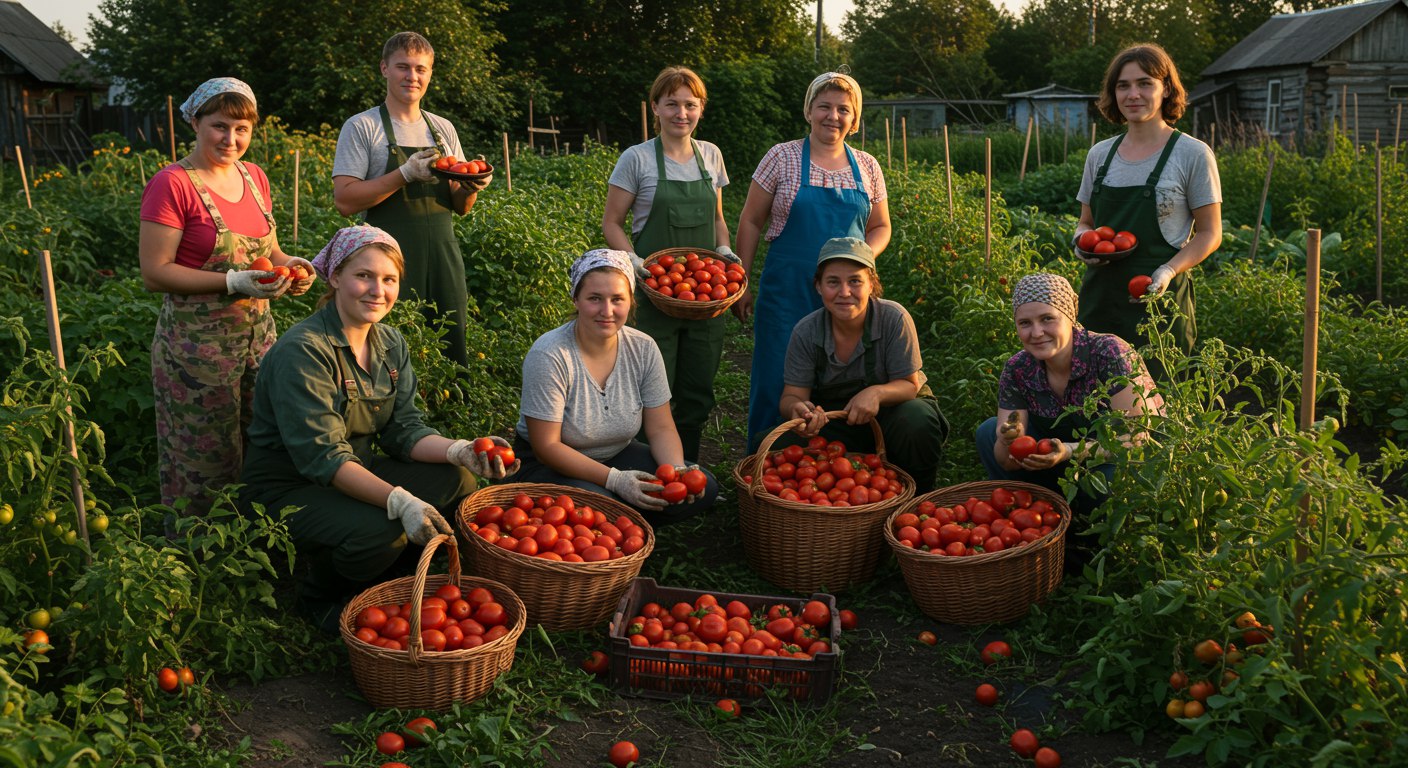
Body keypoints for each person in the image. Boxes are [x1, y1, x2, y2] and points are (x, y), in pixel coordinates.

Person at [241, 226, 517, 632]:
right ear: (336, 277)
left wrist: (459, 449)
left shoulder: (389, 343)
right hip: (289, 490)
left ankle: (391, 576)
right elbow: (325, 459)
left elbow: (403, 430)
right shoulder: (304, 351)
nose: (377, 290)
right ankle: (320, 597)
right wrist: (400, 502)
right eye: (364, 276)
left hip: (355, 470)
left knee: (456, 479)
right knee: (382, 530)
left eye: (389, 280)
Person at [139, 77, 316, 518]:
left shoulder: (253, 177)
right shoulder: (173, 184)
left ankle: (257, 537)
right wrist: (232, 282)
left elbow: (270, 252)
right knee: (203, 462)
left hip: (259, 345)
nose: (230, 139)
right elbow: (155, 273)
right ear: (195, 123)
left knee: (265, 444)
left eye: (242, 129)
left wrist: (293, 267)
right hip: (196, 354)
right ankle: (197, 550)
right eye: (219, 126)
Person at [736, 72, 891, 449]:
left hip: (846, 295)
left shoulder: (867, 166)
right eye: (824, 106)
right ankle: (766, 457)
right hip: (787, 291)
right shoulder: (781, 157)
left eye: (844, 109)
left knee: (841, 374)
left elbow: (881, 226)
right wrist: (741, 280)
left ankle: (828, 459)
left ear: (855, 119)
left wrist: (861, 257)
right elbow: (751, 220)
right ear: (808, 110)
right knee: (777, 375)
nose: (833, 116)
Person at [514, 249, 719, 525]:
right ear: (575, 299)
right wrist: (616, 480)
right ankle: (620, 519)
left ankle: (625, 520)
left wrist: (676, 472)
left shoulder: (643, 348)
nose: (607, 311)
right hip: (549, 465)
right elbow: (546, 446)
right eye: (594, 298)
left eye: (617, 299)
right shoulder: (550, 355)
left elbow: (661, 427)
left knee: (705, 486)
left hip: (616, 453)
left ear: (631, 301)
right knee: (602, 511)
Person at [332, 31, 491, 366]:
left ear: (430, 73)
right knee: (391, 345)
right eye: (403, 67)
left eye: (421, 69)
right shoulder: (363, 126)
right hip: (387, 262)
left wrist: (470, 186)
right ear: (384, 68)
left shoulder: (442, 129)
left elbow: (460, 207)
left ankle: (449, 403)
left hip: (444, 257)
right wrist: (404, 174)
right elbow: (345, 200)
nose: (412, 76)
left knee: (450, 347)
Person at [602, 66, 736, 461]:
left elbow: (717, 218)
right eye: (672, 104)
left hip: (706, 294)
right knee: (652, 386)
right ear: (656, 108)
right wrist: (632, 259)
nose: (682, 113)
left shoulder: (711, 155)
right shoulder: (636, 158)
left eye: (690, 105)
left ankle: (688, 466)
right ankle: (648, 467)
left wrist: (724, 250)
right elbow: (612, 223)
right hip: (654, 289)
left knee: (698, 386)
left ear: (701, 109)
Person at [1074, 43, 1222, 357]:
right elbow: (1086, 223)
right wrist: (1080, 243)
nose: (1133, 95)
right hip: (1099, 301)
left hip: (1158, 301)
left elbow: (1210, 233)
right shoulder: (1100, 155)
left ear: (1166, 89)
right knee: (1094, 383)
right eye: (1123, 86)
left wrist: (1168, 270)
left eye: (1145, 83)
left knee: (1159, 385)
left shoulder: (1192, 154)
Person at [976, 274, 1163, 513]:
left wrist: (1069, 451)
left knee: (1106, 482)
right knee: (988, 433)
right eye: (1025, 323)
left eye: (1047, 319)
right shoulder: (1018, 368)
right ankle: (1036, 510)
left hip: (1118, 457)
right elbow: (1007, 462)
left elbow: (1137, 440)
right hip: (1059, 457)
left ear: (1070, 316)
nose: (1037, 332)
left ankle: (1087, 517)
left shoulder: (1109, 352)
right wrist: (1007, 440)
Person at [779, 238, 947, 493]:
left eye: (855, 281)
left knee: (916, 419)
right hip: (838, 422)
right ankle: (837, 490)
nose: (844, 292)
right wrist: (798, 409)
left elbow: (909, 386)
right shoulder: (806, 332)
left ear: (872, 285)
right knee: (773, 444)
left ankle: (919, 493)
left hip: (893, 417)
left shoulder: (893, 319)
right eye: (833, 282)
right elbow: (791, 395)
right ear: (818, 287)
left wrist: (876, 392)